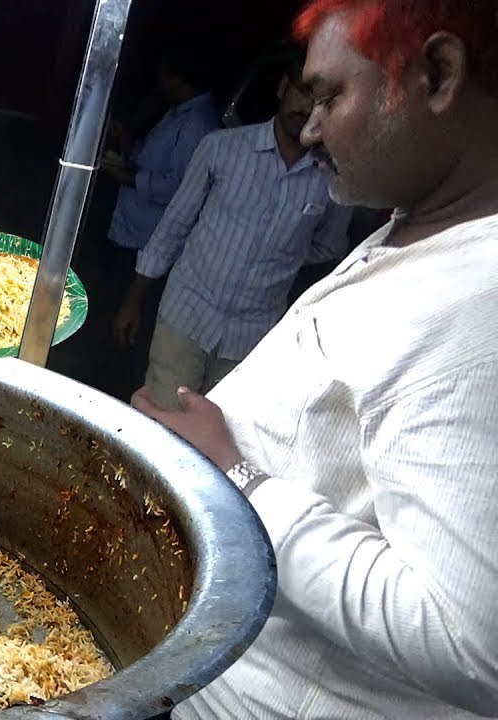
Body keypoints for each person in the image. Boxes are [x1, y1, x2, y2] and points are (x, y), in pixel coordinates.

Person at [133, 1, 498, 718]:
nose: (311, 124)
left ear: (439, 75)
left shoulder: (480, 306)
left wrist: (239, 480)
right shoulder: (419, 221)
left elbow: (471, 644)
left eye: (332, 95)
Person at [117, 50, 352, 409]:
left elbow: (327, 246)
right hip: (186, 317)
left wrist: (281, 252)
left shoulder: (331, 181)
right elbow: (173, 227)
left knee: (217, 442)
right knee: (160, 425)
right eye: (303, 92)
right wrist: (133, 301)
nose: (309, 108)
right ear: (283, 88)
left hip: (250, 339)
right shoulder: (222, 149)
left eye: (324, 101)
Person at [98, 50, 224, 399]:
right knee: (113, 317)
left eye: (164, 75)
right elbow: (151, 159)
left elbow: (178, 186)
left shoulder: (199, 124)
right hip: (131, 234)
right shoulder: (177, 113)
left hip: (147, 243)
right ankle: (107, 382)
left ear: (179, 79)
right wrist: (126, 143)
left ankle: (117, 394)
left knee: (129, 329)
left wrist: (126, 177)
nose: (159, 82)